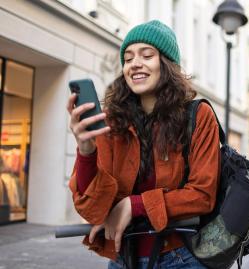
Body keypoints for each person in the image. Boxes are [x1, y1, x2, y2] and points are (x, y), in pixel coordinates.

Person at [67, 20, 220, 269]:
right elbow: (93, 210)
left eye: (147, 55)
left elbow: (202, 195)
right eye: (127, 58)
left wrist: (134, 204)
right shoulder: (111, 122)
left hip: (181, 257)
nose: (134, 63)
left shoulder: (198, 115)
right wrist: (86, 152)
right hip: (123, 258)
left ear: (167, 64)